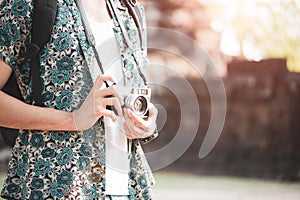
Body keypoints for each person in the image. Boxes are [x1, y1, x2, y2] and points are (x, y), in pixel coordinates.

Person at [0, 0, 158, 199]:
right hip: (52, 186)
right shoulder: (27, 5)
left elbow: (136, 96)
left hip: (127, 189)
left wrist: (146, 125)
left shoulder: (130, 10)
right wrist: (73, 119)